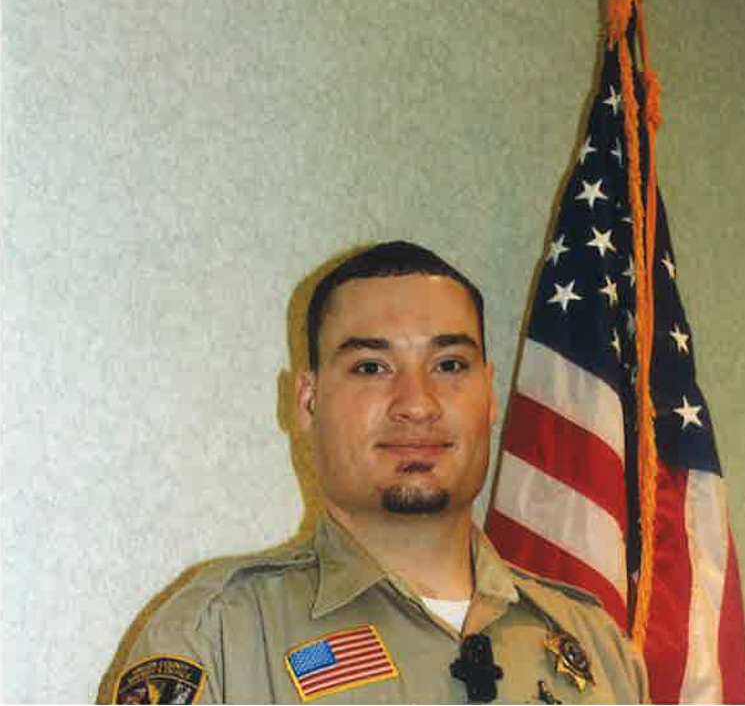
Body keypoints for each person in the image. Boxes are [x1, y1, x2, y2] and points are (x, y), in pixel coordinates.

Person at [109, 241, 648, 704]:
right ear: (308, 400)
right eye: (371, 367)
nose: (417, 404)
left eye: (449, 366)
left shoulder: (598, 649)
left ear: (489, 395)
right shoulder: (221, 636)